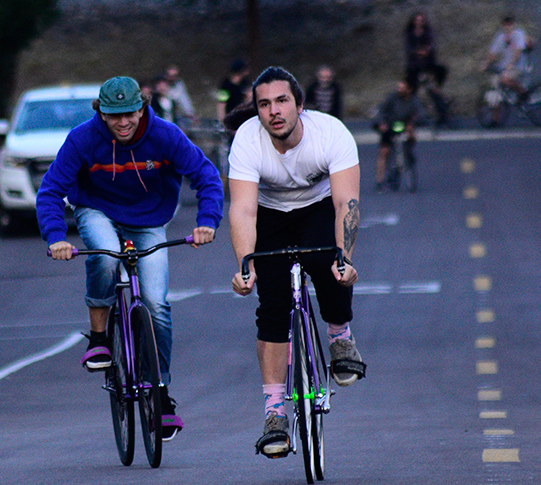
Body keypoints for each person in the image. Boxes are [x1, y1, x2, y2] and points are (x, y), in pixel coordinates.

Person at [38, 76, 224, 442]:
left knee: (156, 304)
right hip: (96, 209)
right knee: (106, 257)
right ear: (101, 114)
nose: (123, 122)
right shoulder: (82, 139)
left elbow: (206, 176)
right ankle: (98, 338)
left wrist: (207, 221)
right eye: (114, 115)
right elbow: (50, 191)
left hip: (149, 218)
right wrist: (56, 237)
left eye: (129, 113)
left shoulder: (165, 135)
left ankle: (160, 391)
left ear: (142, 108)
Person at [227, 66, 364, 459]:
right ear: (257, 111)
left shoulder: (331, 133)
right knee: (273, 304)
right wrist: (245, 266)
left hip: (318, 207)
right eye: (264, 104)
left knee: (329, 266)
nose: (274, 111)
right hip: (269, 214)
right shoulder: (247, 141)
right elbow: (243, 211)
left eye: (282, 101)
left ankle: (339, 337)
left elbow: (346, 203)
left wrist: (344, 258)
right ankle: (274, 413)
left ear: (300, 105)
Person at [374, 80, 423, 191]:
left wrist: (413, 123)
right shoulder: (392, 98)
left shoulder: (414, 101)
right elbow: (381, 111)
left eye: (402, 88)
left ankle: (409, 158)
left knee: (410, 136)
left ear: (409, 90)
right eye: (398, 88)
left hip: (404, 126)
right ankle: (379, 180)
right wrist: (381, 123)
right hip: (390, 126)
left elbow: (421, 114)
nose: (399, 90)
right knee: (384, 151)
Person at [404, 12, 450, 126]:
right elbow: (409, 49)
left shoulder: (427, 33)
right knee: (411, 91)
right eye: (417, 20)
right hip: (414, 66)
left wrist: (424, 52)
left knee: (435, 85)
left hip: (427, 65)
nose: (419, 22)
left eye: (421, 20)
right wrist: (418, 52)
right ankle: (412, 117)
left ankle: (441, 113)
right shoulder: (410, 34)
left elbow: (430, 47)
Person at [482, 15, 529, 95]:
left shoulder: (518, 34)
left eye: (509, 24)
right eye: (505, 25)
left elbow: (518, 52)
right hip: (504, 66)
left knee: (504, 79)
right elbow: (493, 53)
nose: (507, 27)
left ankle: (522, 91)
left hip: (517, 65)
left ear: (513, 25)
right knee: (493, 82)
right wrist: (486, 63)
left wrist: (511, 63)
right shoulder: (500, 38)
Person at [216, 59, 251, 123]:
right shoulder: (225, 85)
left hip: (242, 115)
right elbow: (222, 103)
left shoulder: (245, 83)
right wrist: (222, 119)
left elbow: (248, 98)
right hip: (230, 115)